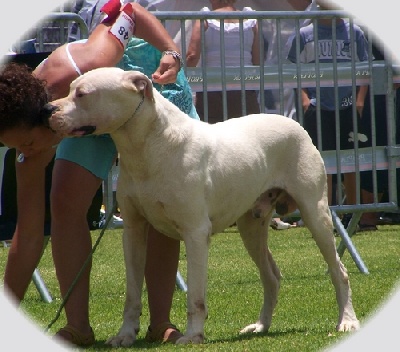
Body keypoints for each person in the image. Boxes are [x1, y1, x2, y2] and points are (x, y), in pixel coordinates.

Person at [0, 0, 196, 347]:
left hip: (145, 84)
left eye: (29, 143)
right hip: (81, 110)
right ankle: (78, 327)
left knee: (165, 199)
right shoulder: (26, 150)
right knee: (63, 202)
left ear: (46, 113)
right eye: (17, 148)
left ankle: (160, 322)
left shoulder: (92, 59)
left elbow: (130, 10)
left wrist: (172, 51)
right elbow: (27, 238)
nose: (27, 154)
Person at [287, 0, 370, 206]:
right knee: (322, 163)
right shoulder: (305, 34)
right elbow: (293, 72)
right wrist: (306, 100)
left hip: (348, 104)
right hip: (318, 106)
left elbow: (365, 69)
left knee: (351, 162)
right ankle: (327, 213)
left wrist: (359, 100)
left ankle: (352, 212)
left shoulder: (355, 32)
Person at [186, 0, 261, 124]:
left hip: (212, 89)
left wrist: (182, 80)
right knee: (247, 134)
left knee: (212, 135)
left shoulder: (205, 19)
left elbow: (192, 56)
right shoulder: (251, 20)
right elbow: (257, 60)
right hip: (244, 87)